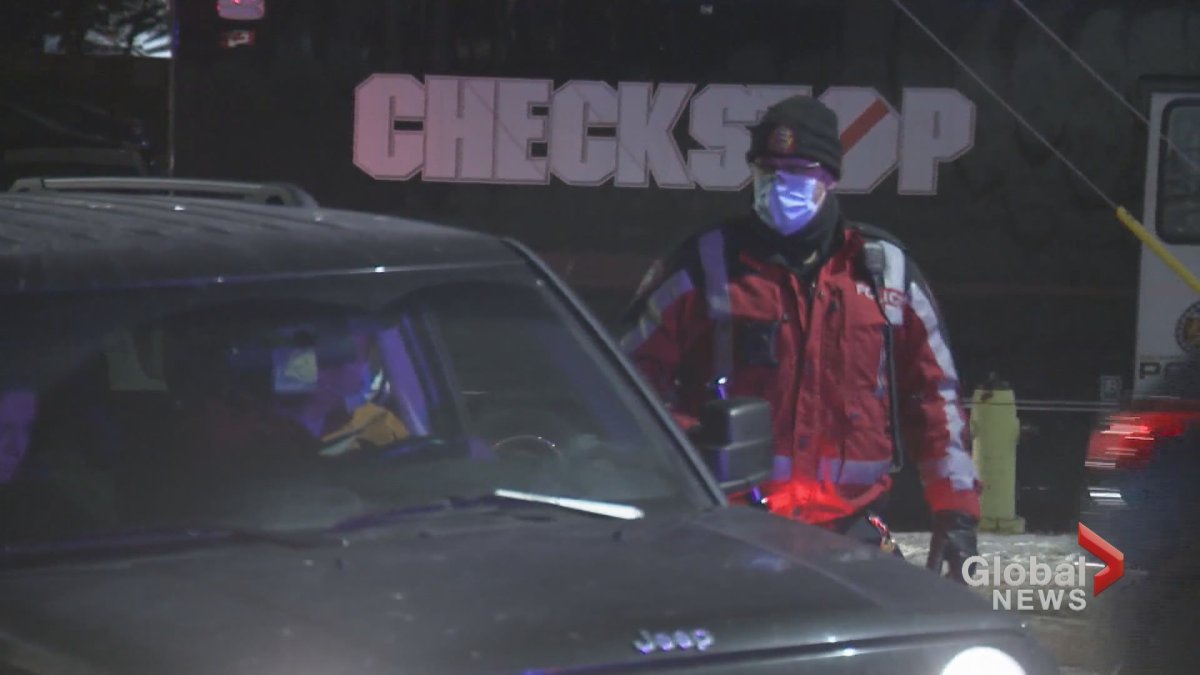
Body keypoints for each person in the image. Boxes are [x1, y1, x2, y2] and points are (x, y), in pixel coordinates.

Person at [619, 95, 981, 578]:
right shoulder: (705, 265)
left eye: (797, 170)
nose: (778, 183)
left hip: (853, 538)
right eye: (767, 168)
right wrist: (688, 449)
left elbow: (935, 398)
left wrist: (956, 516)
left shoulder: (884, 272)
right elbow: (625, 380)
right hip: (729, 534)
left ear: (829, 178)